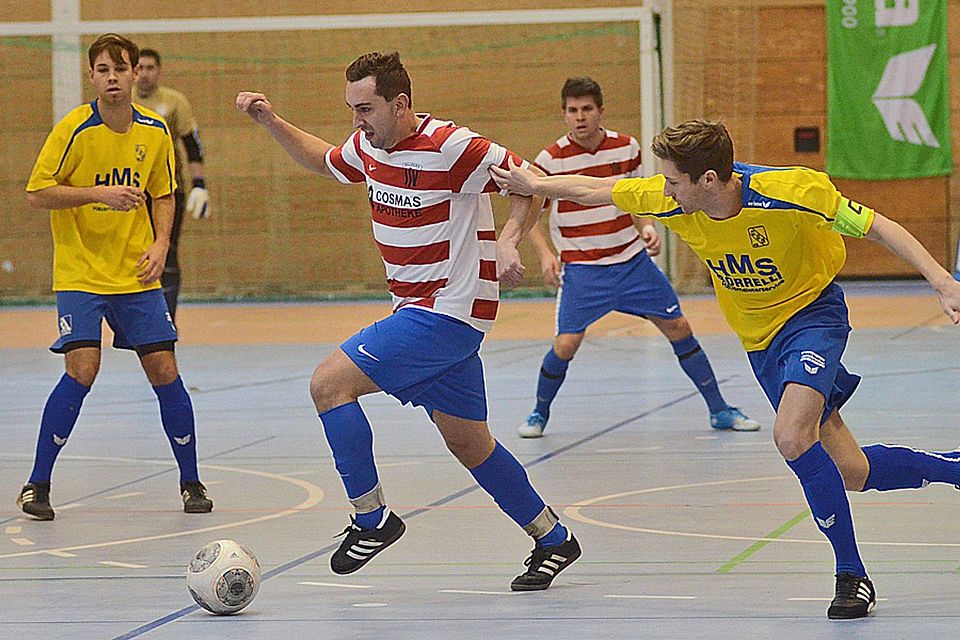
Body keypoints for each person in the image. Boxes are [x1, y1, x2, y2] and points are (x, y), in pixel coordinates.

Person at [490, 119, 960, 618]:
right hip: (760, 343)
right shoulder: (673, 199)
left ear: (709, 180)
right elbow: (598, 189)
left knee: (792, 437)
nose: (664, 189)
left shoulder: (792, 192)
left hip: (811, 317)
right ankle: (952, 467)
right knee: (852, 470)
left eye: (673, 180)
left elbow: (878, 225)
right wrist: (535, 185)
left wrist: (941, 280)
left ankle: (852, 575)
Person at [236, 51, 580, 590]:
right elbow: (325, 159)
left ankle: (372, 519)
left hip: (444, 311)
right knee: (470, 442)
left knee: (328, 385)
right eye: (351, 109)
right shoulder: (372, 148)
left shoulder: (450, 146)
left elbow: (530, 179)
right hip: (421, 311)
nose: (357, 121)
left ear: (401, 104)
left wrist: (508, 240)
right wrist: (270, 121)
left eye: (366, 109)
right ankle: (553, 537)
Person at [17, 33, 214, 521]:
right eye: (103, 70)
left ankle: (191, 481)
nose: (113, 78)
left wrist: (161, 244)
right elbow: (37, 193)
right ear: (92, 77)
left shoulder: (153, 131)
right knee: (82, 369)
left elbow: (165, 194)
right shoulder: (74, 130)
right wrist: (94, 194)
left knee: (165, 371)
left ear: (134, 74)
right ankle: (37, 484)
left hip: (136, 274)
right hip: (81, 272)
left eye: (120, 69)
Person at [519, 77, 759, 438]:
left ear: (601, 111)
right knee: (566, 344)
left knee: (679, 327)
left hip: (631, 263)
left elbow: (635, 196)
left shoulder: (626, 147)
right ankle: (539, 413)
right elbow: (532, 212)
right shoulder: (550, 158)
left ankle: (720, 409)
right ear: (564, 114)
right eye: (572, 110)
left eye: (587, 109)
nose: (580, 117)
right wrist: (545, 254)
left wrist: (647, 227)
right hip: (584, 270)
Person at [135, 47, 211, 321]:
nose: (144, 74)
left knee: (166, 252)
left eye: (150, 68)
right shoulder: (124, 102)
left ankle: (165, 319)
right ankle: (136, 318)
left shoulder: (174, 102)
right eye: (139, 68)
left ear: (159, 71)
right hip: (130, 192)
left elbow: (193, 145)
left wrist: (199, 185)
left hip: (168, 189)